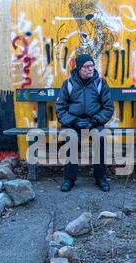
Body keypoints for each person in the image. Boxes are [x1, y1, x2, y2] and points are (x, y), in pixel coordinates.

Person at [56, 54, 114, 192]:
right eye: (87, 66)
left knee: (100, 138)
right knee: (72, 138)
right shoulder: (69, 84)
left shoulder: (100, 83)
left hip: (94, 121)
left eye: (92, 66)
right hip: (73, 123)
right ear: (79, 68)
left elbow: (108, 107)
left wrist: (95, 120)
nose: (90, 69)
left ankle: (100, 178)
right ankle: (69, 179)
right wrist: (74, 121)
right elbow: (60, 108)